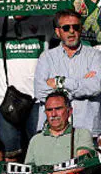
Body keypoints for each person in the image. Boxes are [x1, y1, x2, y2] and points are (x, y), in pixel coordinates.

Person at [34, 10, 101, 139]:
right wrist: (80, 85)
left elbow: (96, 86)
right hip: (53, 133)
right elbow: (40, 91)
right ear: (57, 32)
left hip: (87, 130)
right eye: (66, 28)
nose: (71, 31)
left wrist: (60, 82)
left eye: (76, 27)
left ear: (81, 29)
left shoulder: (95, 56)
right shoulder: (46, 57)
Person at [27, 90, 96, 165]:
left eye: (58, 109)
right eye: (49, 110)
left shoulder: (81, 134)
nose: (53, 114)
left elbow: (83, 162)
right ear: (45, 113)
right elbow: (27, 170)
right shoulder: (35, 140)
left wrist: (53, 171)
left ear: (69, 111)